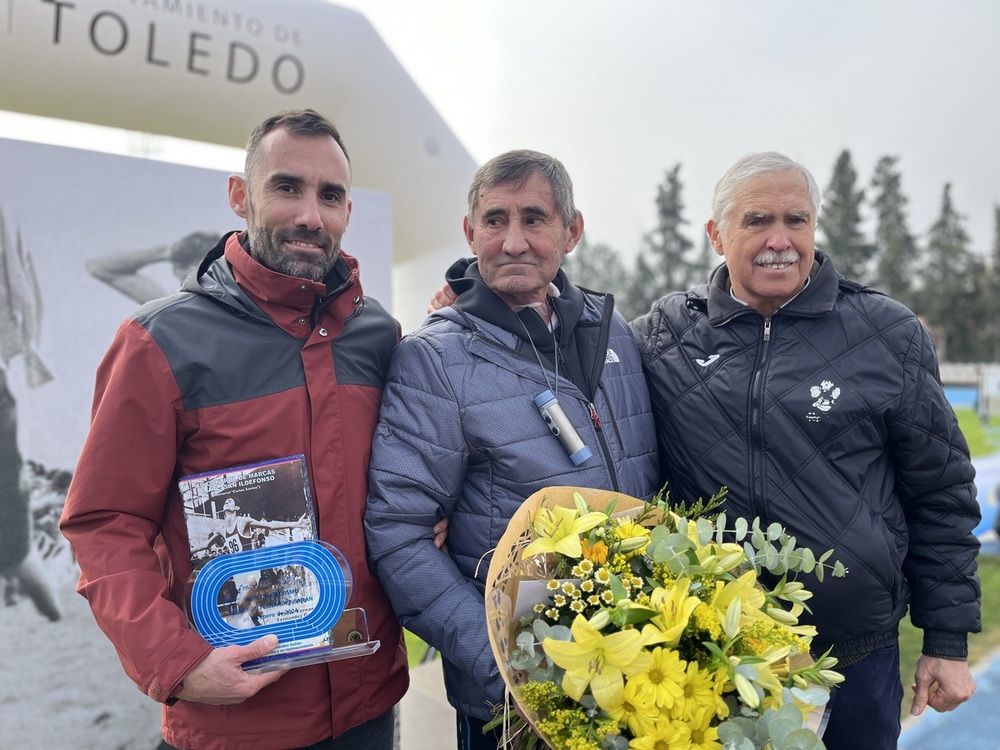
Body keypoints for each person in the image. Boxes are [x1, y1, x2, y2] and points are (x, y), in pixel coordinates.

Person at [60, 109, 408, 750]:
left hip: (368, 708)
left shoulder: (378, 336)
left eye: (330, 196)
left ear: (347, 212)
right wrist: (177, 660)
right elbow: (104, 522)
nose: (310, 214)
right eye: (287, 187)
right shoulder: (159, 342)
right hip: (235, 723)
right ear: (240, 195)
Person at [630, 151, 981, 749]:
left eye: (797, 220)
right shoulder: (663, 335)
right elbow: (567, 350)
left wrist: (946, 641)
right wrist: (471, 313)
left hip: (855, 652)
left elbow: (941, 491)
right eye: (757, 220)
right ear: (716, 235)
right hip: (713, 649)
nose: (780, 240)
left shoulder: (888, 333)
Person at [364, 149, 659, 750]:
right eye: (495, 221)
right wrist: (507, 663)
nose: (514, 241)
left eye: (535, 218)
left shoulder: (616, 334)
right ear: (470, 233)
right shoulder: (436, 359)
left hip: (634, 661)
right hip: (515, 703)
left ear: (572, 231)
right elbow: (398, 534)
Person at [86, 231, 219, 305]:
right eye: (185, 266)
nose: (192, 271)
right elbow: (99, 268)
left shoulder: (236, 307)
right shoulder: (172, 307)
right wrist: (166, 253)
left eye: (202, 265)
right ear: (177, 271)